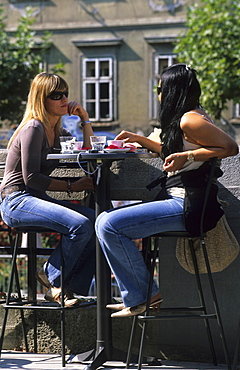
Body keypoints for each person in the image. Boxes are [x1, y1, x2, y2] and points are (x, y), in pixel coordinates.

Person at [95, 63, 239, 317]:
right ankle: (141, 295)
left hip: (187, 205)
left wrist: (189, 155)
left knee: (108, 224)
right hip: (181, 200)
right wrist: (141, 140)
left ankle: (145, 295)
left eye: (160, 89)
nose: (158, 94)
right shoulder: (190, 116)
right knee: (104, 221)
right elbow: (177, 152)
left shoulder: (190, 119)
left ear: (173, 91)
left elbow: (230, 147)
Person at [0, 72, 96, 307]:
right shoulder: (34, 128)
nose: (64, 99)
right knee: (81, 225)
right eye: (56, 95)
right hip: (17, 201)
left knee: (98, 222)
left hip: (35, 198)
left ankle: (66, 288)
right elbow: (31, 178)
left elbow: (90, 149)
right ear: (41, 99)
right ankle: (52, 278)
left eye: (66, 94)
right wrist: (71, 187)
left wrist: (84, 118)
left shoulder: (58, 132)